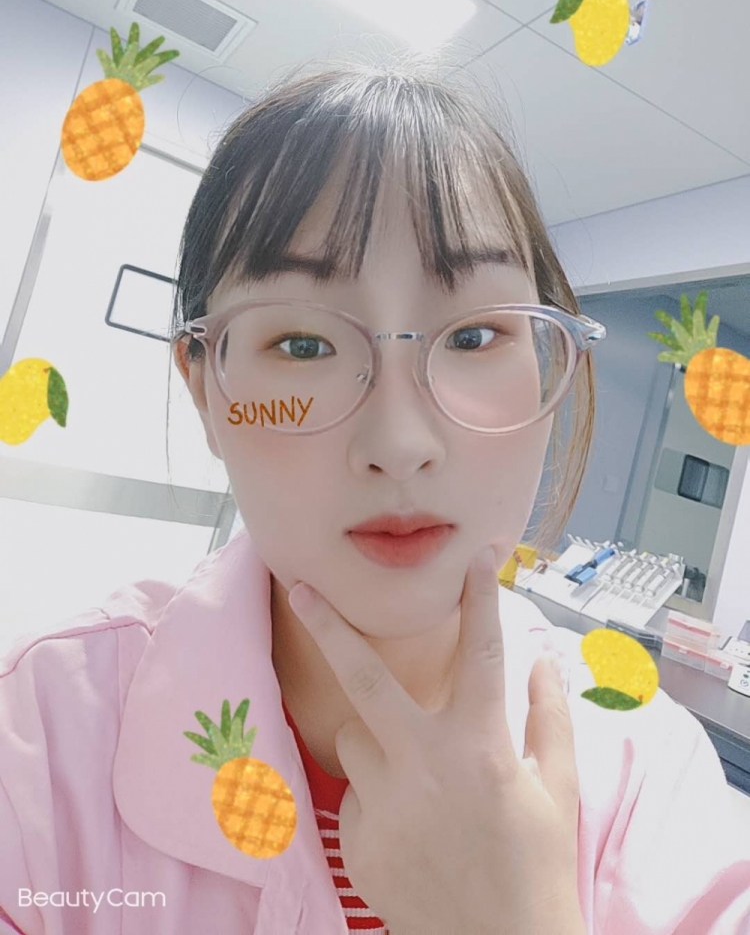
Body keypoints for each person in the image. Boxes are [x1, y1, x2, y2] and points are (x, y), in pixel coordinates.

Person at [1, 58, 748, 935]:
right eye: (303, 345)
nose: (400, 443)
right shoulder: (43, 736)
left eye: (474, 336)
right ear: (205, 389)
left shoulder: (650, 773)